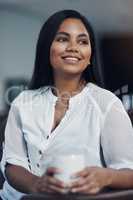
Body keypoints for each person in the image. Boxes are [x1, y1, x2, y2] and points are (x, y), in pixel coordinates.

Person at [1, 9, 133, 200]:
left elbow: (129, 171)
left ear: (89, 56)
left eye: (82, 41)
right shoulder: (23, 102)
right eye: (63, 39)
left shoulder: (107, 104)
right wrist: (37, 184)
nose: (73, 47)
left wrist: (106, 177)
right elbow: (13, 164)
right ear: (47, 49)